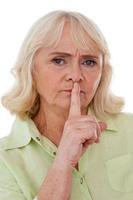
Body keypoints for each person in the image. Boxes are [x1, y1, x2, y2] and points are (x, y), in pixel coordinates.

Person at [0, 9, 133, 200]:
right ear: (31, 69)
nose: (76, 75)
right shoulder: (5, 160)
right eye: (59, 60)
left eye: (89, 62)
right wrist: (63, 162)